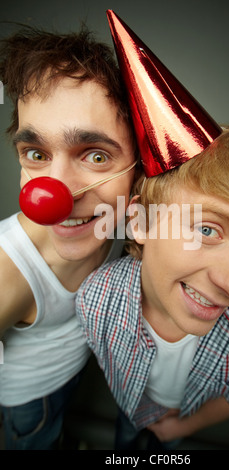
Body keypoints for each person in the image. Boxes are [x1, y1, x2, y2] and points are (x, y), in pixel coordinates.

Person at [75, 12, 229, 450]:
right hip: (131, 407)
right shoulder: (94, 300)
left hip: (183, 421)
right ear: (139, 224)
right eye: (209, 229)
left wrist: (178, 429)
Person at [0, 24, 138, 450]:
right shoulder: (8, 272)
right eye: (37, 154)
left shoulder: (126, 217)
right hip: (26, 399)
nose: (57, 197)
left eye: (95, 155)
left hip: (71, 371)